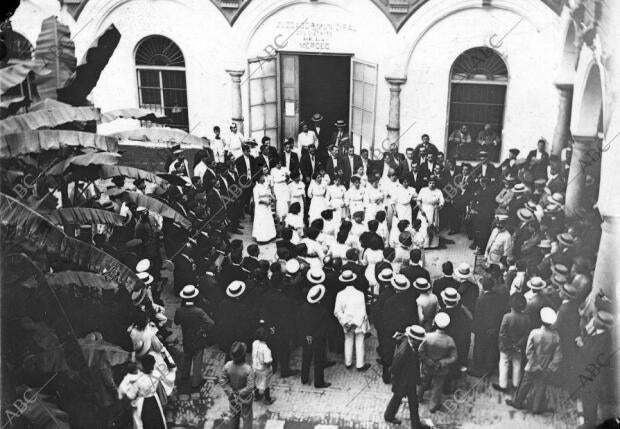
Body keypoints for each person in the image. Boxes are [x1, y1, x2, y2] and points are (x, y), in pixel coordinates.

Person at [507, 307, 562, 414]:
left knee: (525, 384)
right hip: (546, 365)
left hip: (533, 363)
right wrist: (551, 368)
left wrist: (535, 363)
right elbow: (558, 356)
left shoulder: (534, 333)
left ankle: (518, 402)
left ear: (541, 319)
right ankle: (536, 408)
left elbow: (529, 351)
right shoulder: (556, 336)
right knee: (541, 386)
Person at [384, 325, 431, 429]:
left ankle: (414, 424)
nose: (420, 342)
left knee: (410, 402)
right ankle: (391, 417)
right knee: (398, 399)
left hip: (409, 380)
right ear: (413, 339)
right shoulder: (404, 351)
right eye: (419, 340)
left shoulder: (409, 345)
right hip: (404, 381)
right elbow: (394, 368)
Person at [118, 355, 176, 429]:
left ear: (143, 365)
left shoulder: (139, 380)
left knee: (144, 422)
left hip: (143, 402)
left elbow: (130, 395)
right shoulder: (156, 374)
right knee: (157, 419)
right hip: (154, 399)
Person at [174, 285, 215, 390]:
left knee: (186, 357)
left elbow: (176, 322)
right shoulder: (199, 311)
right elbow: (211, 324)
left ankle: (184, 376)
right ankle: (196, 384)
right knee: (197, 362)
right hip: (198, 339)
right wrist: (202, 329)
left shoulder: (179, 310)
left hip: (186, 338)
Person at [418, 312, 457, 412]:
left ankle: (418, 397)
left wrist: (427, 360)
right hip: (441, 369)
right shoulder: (450, 340)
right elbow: (454, 357)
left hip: (427, 366)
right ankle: (433, 406)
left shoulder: (428, 336)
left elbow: (420, 351)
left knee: (424, 382)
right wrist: (442, 362)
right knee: (437, 387)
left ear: (435, 323)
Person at [334, 270, 371, 371]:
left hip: (346, 323)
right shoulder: (360, 294)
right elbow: (363, 311)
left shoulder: (340, 294)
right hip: (359, 323)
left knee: (348, 340)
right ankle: (360, 365)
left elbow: (337, 311)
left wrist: (346, 323)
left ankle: (348, 362)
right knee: (360, 342)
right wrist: (356, 322)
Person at [493, 293, 530, 393]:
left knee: (504, 364)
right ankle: (516, 384)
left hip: (506, 346)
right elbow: (526, 334)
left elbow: (502, 333)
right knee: (517, 364)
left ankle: (503, 385)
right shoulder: (526, 318)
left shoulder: (507, 317)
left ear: (511, 304)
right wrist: (517, 345)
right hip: (519, 347)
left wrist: (510, 344)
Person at [300, 285, 332, 388]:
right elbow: (325, 326)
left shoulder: (304, 307)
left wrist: (307, 334)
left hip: (307, 337)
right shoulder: (322, 310)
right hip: (318, 338)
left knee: (306, 357)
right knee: (319, 360)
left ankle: (304, 378)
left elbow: (300, 322)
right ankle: (319, 382)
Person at [220, 342, 255, 429]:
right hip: (245, 398)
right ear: (244, 355)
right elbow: (250, 387)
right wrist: (240, 393)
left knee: (234, 417)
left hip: (233, 398)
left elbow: (222, 381)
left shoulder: (228, 366)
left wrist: (231, 392)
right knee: (247, 417)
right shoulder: (248, 369)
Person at [416, 177, 444, 248]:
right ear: (428, 183)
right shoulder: (423, 190)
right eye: (430, 183)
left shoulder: (438, 191)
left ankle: (433, 244)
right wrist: (421, 209)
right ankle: (423, 244)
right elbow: (418, 200)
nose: (432, 185)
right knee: (424, 227)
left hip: (434, 211)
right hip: (424, 210)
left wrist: (439, 206)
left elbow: (442, 201)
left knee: (433, 226)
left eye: (433, 183)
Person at [252, 327, 276, 404]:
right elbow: (267, 361)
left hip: (255, 367)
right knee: (266, 384)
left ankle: (256, 396)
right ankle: (267, 399)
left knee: (255, 382)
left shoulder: (254, 343)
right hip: (263, 370)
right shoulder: (266, 349)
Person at [252, 173, 276, 243]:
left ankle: (270, 236)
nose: (263, 178)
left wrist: (272, 198)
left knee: (268, 220)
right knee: (262, 221)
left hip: (267, 207)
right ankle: (262, 238)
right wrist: (265, 202)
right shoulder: (256, 188)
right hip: (261, 207)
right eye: (262, 177)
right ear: (258, 179)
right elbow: (257, 200)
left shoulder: (264, 185)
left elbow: (268, 193)